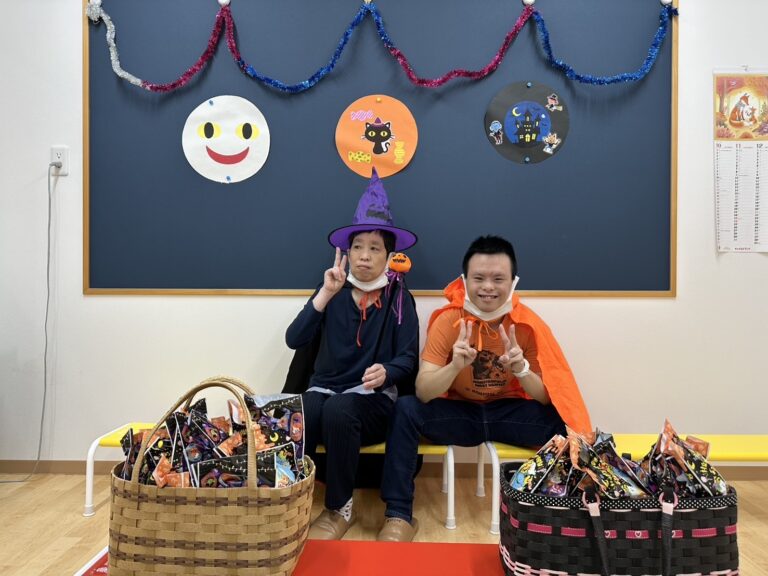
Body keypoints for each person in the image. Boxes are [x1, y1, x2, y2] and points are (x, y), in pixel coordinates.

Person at [377, 235, 591, 542]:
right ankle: (398, 515)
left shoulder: (527, 325)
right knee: (406, 408)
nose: (488, 287)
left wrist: (522, 370)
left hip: (507, 414)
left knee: (565, 425)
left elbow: (547, 396)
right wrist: (454, 367)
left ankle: (555, 509)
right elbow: (423, 391)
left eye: (498, 279)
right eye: (479, 278)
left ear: (513, 282)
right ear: (465, 281)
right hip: (460, 414)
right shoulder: (449, 320)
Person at [285, 168, 419, 540]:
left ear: (389, 255)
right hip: (324, 390)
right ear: (346, 252)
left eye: (375, 248)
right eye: (358, 246)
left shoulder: (399, 298)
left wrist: (388, 371)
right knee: (301, 410)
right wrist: (325, 294)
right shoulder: (332, 288)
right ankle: (287, 501)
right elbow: (294, 339)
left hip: (371, 400)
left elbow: (408, 358)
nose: (364, 256)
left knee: (339, 409)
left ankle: (339, 508)